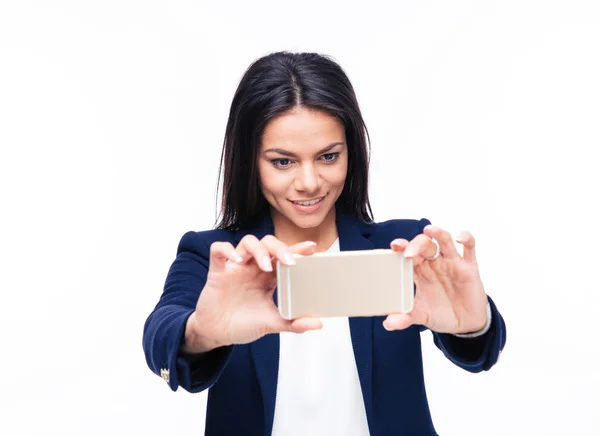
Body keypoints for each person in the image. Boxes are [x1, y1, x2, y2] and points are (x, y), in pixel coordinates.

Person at [142, 51, 506, 436]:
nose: (310, 182)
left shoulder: (401, 247)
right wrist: (201, 332)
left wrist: (473, 327)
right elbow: (160, 333)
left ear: (352, 152)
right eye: (283, 161)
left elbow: (480, 351)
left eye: (328, 156)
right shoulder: (217, 258)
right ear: (250, 160)